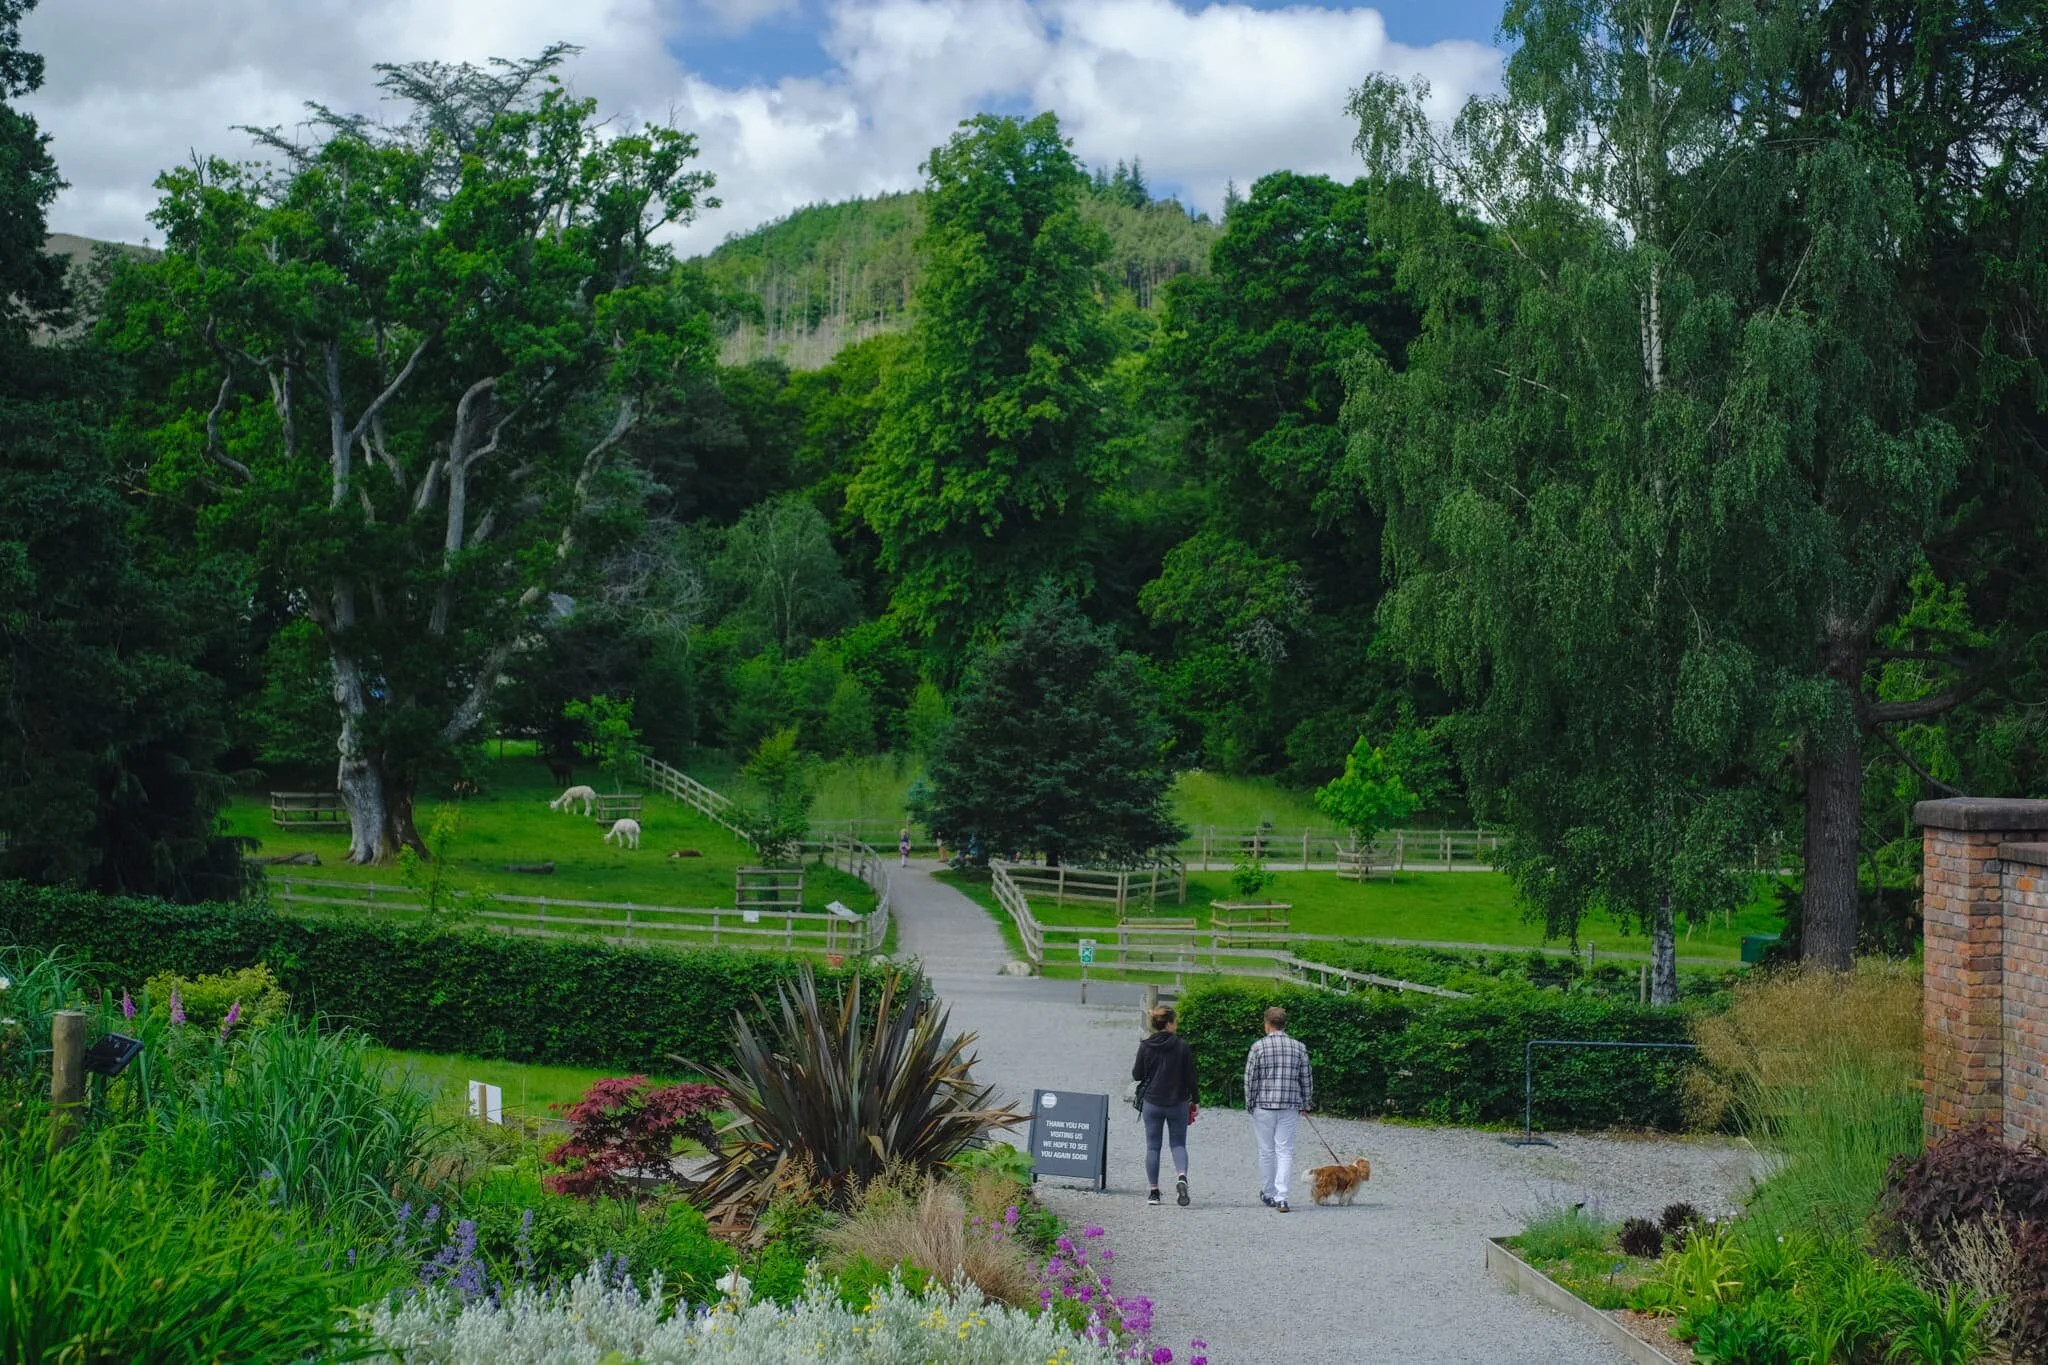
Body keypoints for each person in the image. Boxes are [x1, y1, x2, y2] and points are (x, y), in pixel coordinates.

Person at [1243, 1005, 1312, 1213]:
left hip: (1264, 1104)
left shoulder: (1258, 1047)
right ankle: (1282, 1196)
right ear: (1284, 1024)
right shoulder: (1298, 1047)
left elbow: (1250, 1078)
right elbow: (1306, 1078)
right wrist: (1306, 1103)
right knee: (1285, 1151)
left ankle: (1269, 1192)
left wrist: (1250, 1102)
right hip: (1289, 1105)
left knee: (1266, 1151)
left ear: (1267, 1025)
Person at [1132, 1005, 1199, 1207]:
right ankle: (1181, 1177)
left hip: (1152, 1102)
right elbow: (1191, 1077)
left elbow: (1137, 1075)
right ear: (1169, 1023)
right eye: (1175, 1021)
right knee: (1178, 1144)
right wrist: (1195, 1100)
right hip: (1177, 1102)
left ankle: (1154, 1192)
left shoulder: (1145, 1046)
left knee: (1153, 1147)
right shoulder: (1182, 1046)